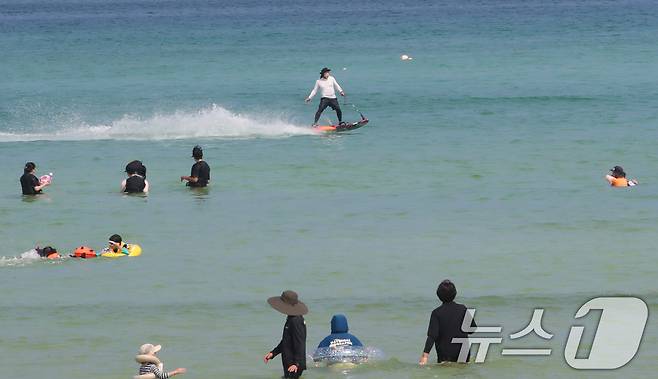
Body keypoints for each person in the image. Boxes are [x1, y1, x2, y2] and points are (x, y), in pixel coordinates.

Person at [419, 280, 477, 365]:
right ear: (455, 293)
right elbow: (472, 329)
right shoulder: (463, 309)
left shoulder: (436, 313)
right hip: (463, 353)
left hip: (445, 354)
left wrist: (425, 356)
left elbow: (432, 336)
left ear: (438, 295)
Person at [264, 290, 307, 378]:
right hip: (289, 364)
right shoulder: (291, 318)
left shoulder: (296, 321)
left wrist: (297, 364)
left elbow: (300, 343)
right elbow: (286, 340)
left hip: (293, 366)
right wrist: (274, 353)